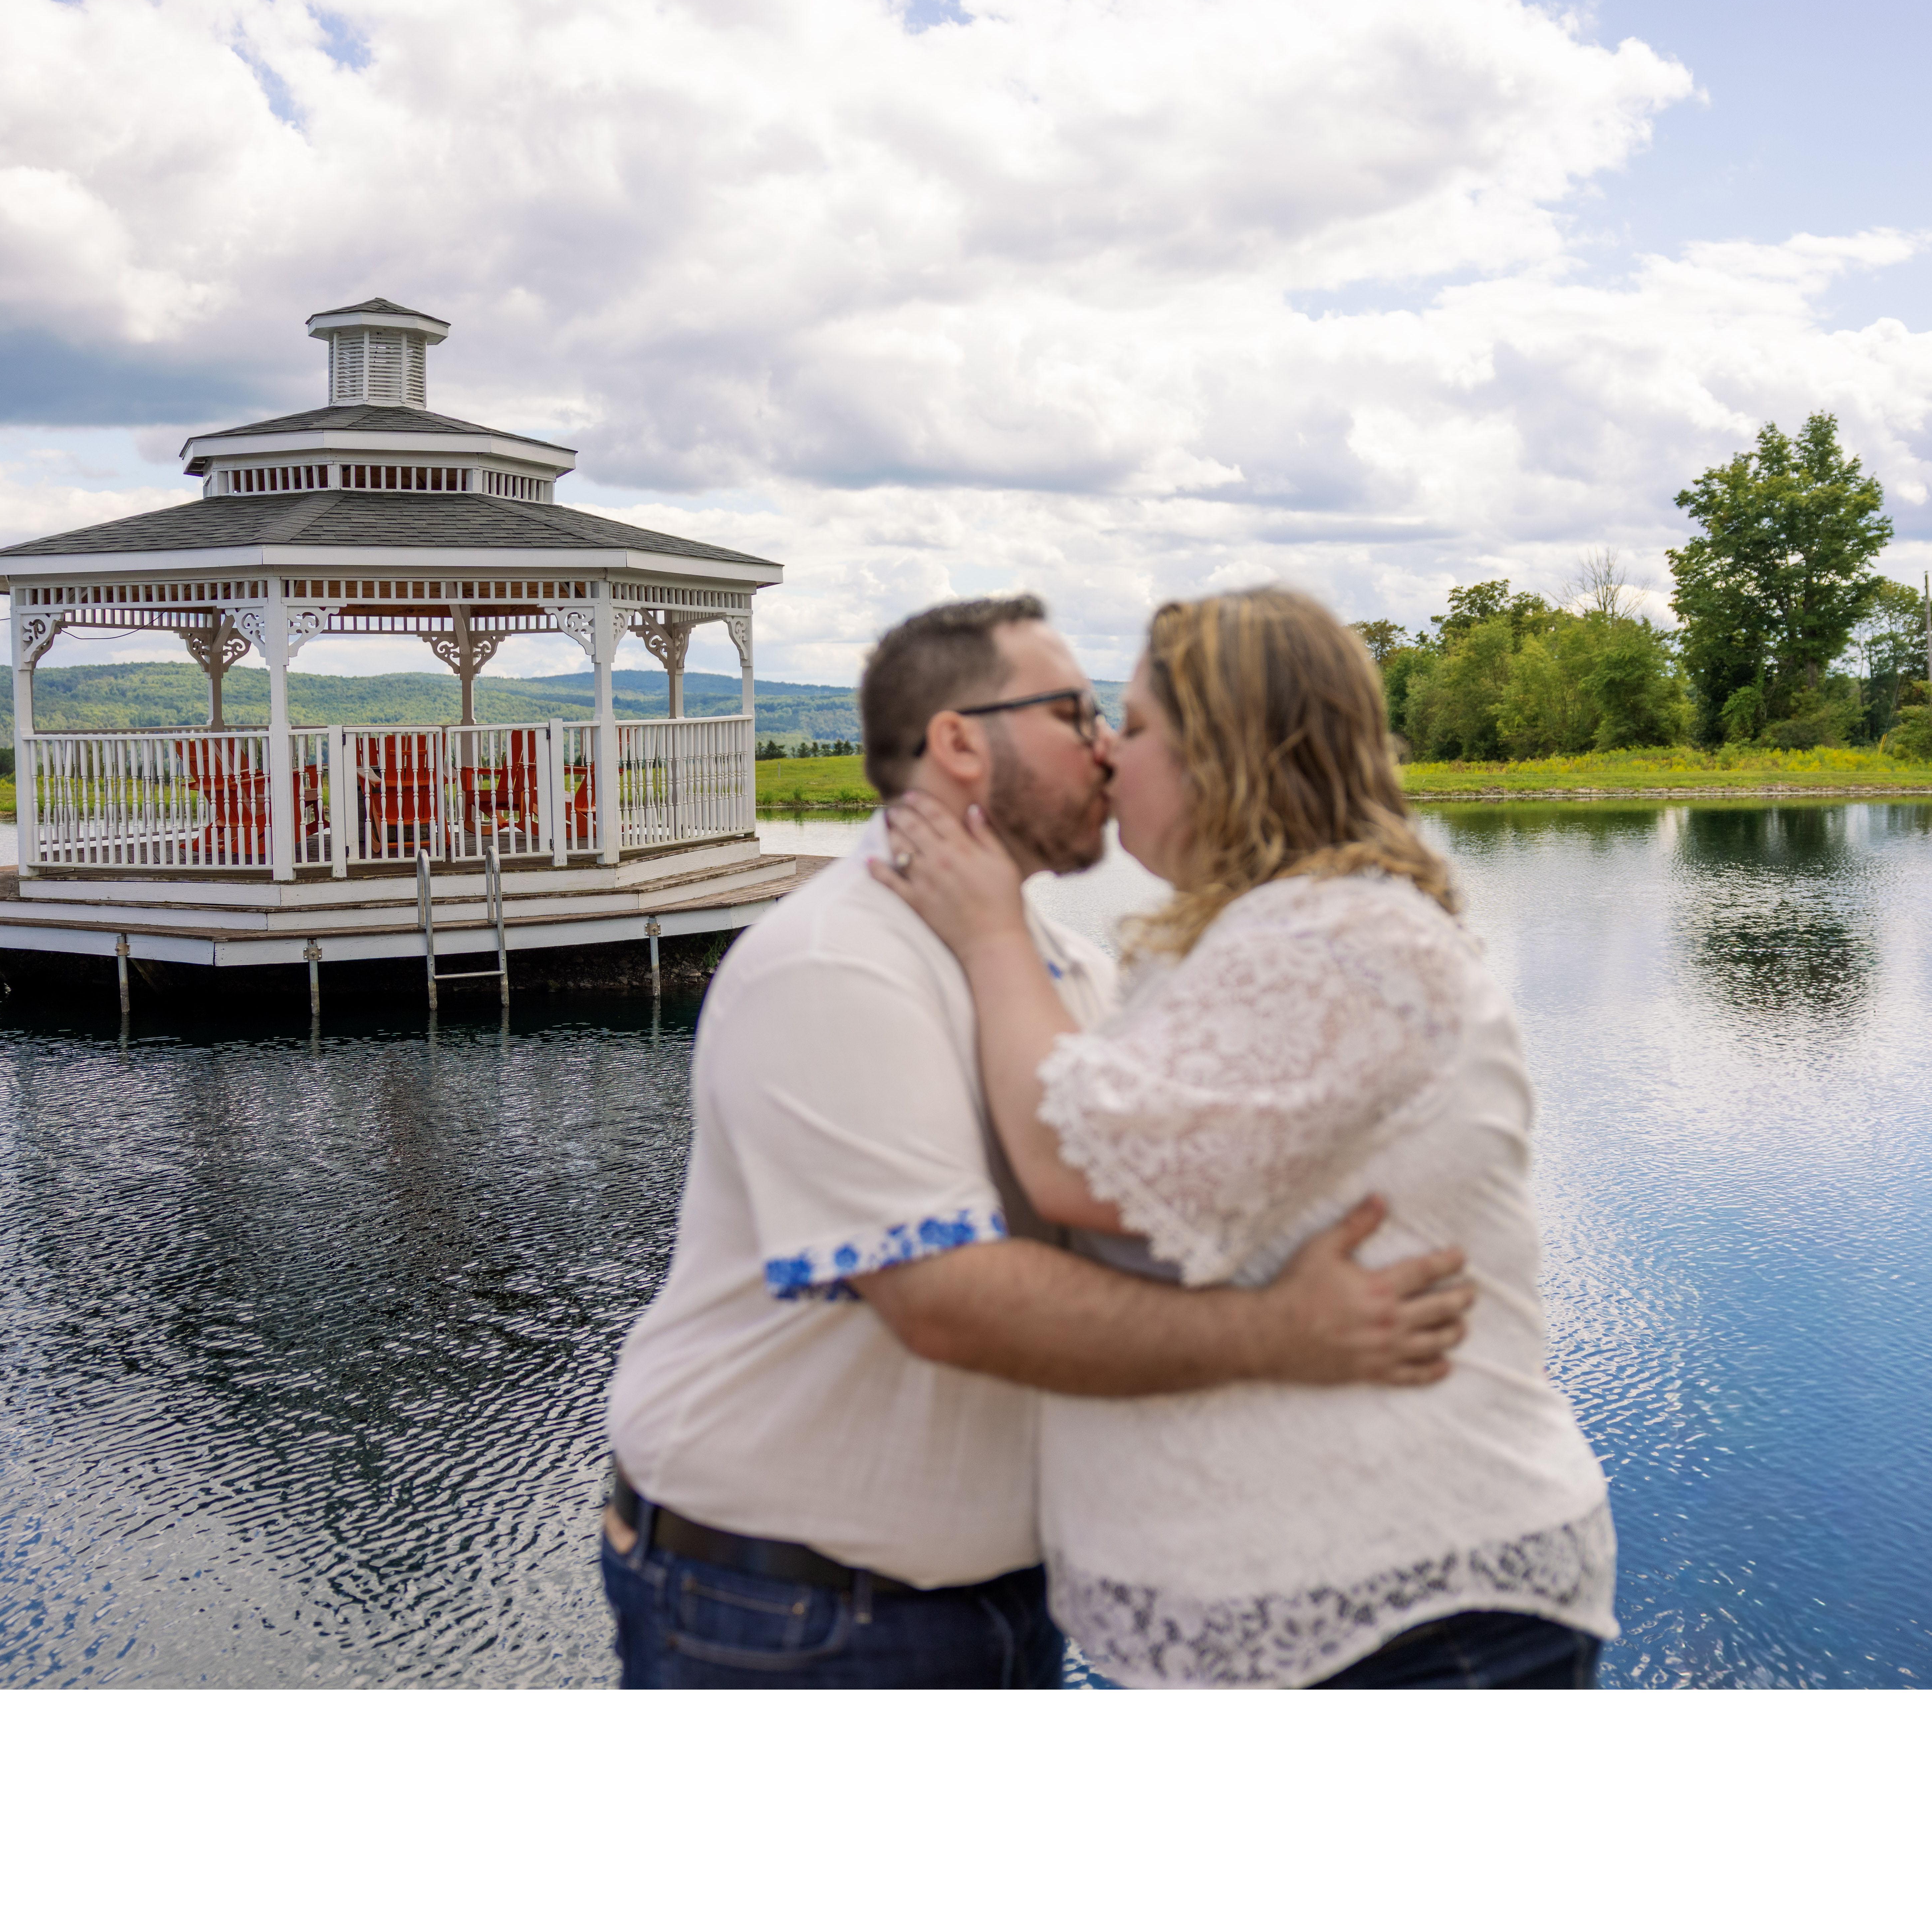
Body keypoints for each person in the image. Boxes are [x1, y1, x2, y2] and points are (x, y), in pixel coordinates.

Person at [600, 593, 1477, 1689]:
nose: (1109, 748)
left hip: (986, 1606)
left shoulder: (1057, 965)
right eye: (1076, 713)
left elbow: (1140, 1201)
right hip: (788, 1615)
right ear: (962, 743)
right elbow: (945, 1299)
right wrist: (1281, 1335)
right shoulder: (835, 963)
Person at [875, 585, 1617, 1689]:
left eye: (1135, 726)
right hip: (1347, 1610)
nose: (1112, 759)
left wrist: (989, 935)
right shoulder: (1261, 932)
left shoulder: (1342, 941)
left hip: (1411, 1617)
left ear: (1226, 754)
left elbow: (1079, 1162)